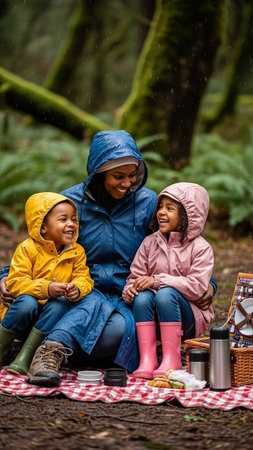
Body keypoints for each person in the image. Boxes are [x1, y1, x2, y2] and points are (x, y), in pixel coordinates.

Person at [0, 131, 216, 387]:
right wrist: (5, 276)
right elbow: (42, 246)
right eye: (118, 176)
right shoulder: (71, 203)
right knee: (74, 309)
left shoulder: (147, 202)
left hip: (126, 297)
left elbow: (174, 243)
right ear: (97, 173)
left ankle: (45, 348)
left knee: (119, 333)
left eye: (132, 174)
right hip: (78, 291)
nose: (127, 183)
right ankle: (49, 354)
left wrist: (208, 284)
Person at [122, 182, 214, 379]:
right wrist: (130, 290)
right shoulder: (149, 243)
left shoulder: (200, 248)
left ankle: (172, 359)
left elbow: (197, 287)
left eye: (170, 208)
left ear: (189, 214)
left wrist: (157, 280)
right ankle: (149, 359)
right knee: (143, 297)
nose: (161, 212)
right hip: (155, 313)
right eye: (160, 207)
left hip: (189, 316)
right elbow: (135, 277)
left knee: (165, 293)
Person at [0, 192, 94, 375]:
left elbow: (84, 277)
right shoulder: (27, 249)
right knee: (27, 301)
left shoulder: (76, 252)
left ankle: (26, 356)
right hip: (20, 315)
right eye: (63, 219)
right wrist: (46, 289)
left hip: (46, 319)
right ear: (43, 227)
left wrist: (78, 288)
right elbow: (16, 282)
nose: (71, 224)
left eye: (74, 220)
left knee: (60, 304)